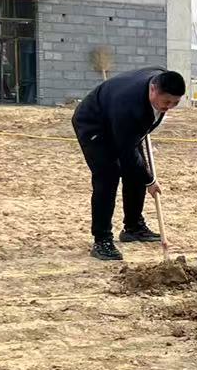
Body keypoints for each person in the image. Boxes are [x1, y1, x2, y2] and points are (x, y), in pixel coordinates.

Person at [71, 67, 187, 262]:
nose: (169, 107)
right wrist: (150, 181)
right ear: (153, 89)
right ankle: (102, 240)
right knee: (108, 176)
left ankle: (133, 227)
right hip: (94, 123)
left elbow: (132, 151)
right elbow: (127, 154)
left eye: (175, 103)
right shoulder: (129, 107)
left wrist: (145, 175)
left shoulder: (161, 76)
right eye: (166, 102)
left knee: (136, 171)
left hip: (123, 124)